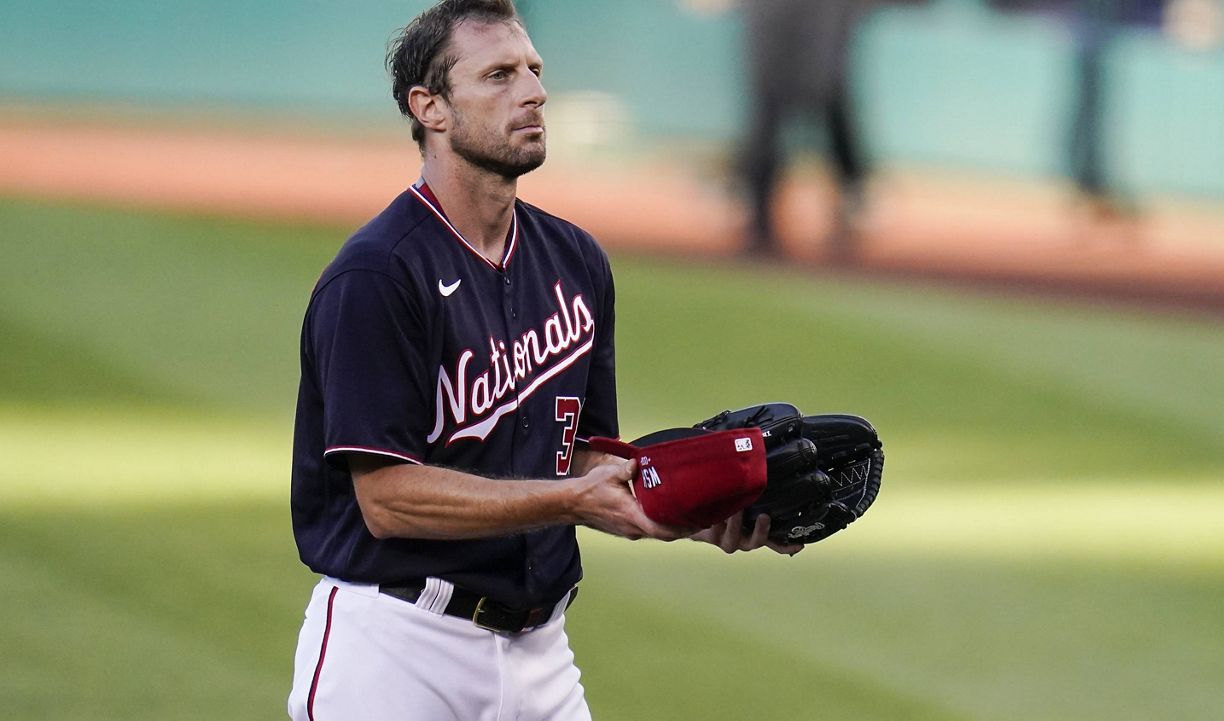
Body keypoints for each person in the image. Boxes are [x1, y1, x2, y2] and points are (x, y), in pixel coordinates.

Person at [286, 2, 800, 719]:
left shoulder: (575, 260)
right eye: (498, 75)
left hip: (542, 655)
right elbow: (387, 498)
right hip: (397, 649)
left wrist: (693, 504)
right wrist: (568, 500)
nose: (532, 92)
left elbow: (581, 458)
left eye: (534, 70)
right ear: (430, 107)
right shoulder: (377, 277)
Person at [739, 0, 873, 259]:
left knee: (827, 94)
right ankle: (758, 223)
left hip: (823, 13)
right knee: (769, 107)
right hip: (775, 16)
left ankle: (852, 206)